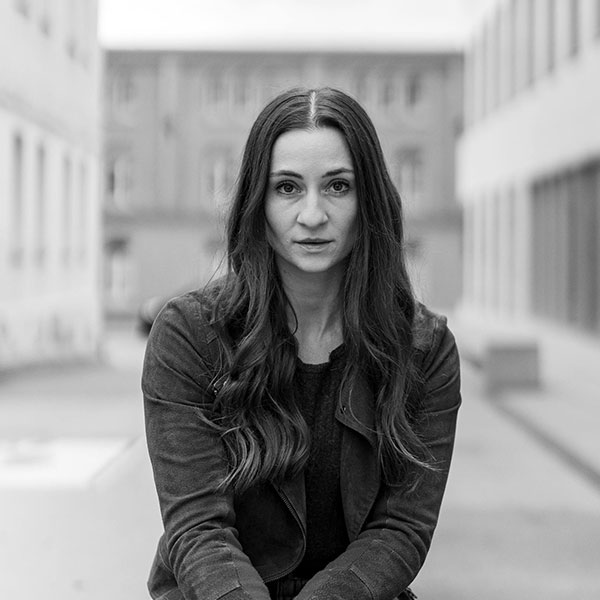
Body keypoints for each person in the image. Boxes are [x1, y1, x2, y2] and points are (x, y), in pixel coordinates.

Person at [142, 87, 461, 600]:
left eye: (338, 186)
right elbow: (199, 530)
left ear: (368, 200)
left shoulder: (424, 349)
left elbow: (401, 529)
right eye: (287, 187)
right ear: (258, 201)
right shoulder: (189, 336)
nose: (312, 215)